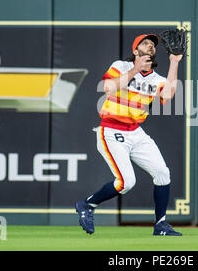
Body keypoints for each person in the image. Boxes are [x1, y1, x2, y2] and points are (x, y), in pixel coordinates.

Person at [75, 33, 183, 236]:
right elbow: (108, 88)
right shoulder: (120, 66)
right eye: (145, 43)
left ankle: (160, 224)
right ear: (135, 51)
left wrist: (174, 62)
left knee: (162, 173)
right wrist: (135, 69)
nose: (150, 46)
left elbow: (168, 94)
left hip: (135, 132)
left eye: (152, 44)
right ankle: (87, 205)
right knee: (126, 183)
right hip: (111, 129)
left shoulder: (156, 79)